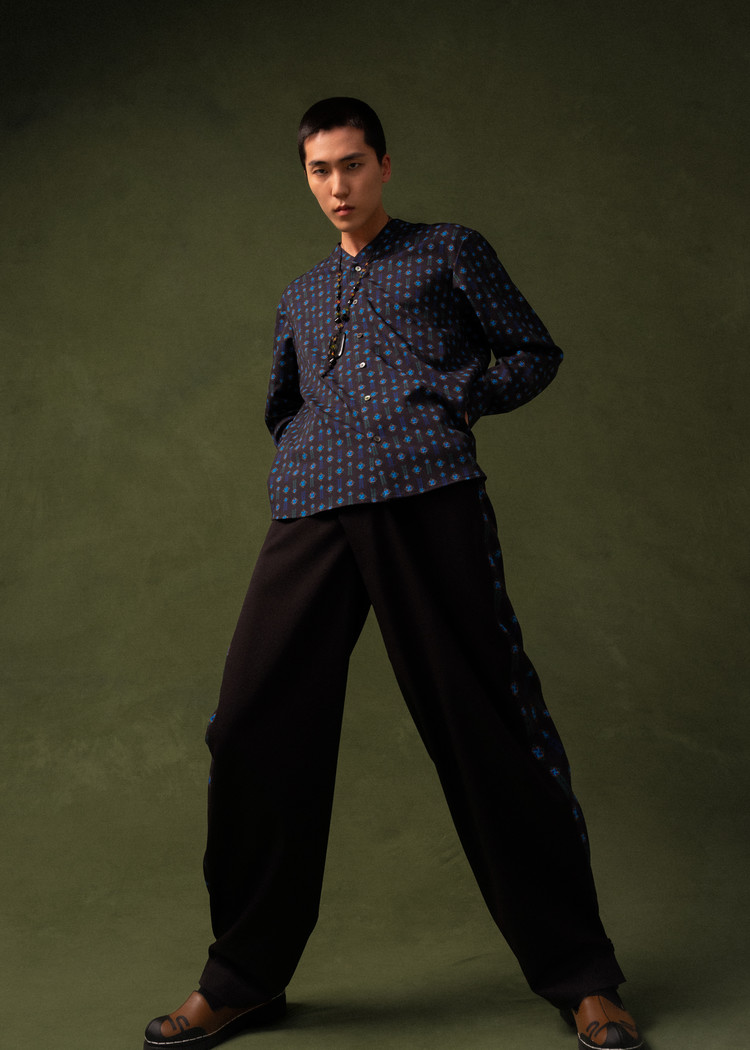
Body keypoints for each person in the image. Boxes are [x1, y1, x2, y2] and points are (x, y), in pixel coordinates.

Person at [144, 97, 643, 1050]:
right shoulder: (299, 293)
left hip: (428, 497)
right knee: (250, 723)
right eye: (320, 170)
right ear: (306, 177)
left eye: (352, 164)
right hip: (313, 508)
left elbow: (533, 352)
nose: (338, 186)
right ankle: (242, 976)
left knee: (486, 725)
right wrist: (309, 451)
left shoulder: (449, 250)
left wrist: (451, 398)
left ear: (383, 165)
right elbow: (283, 402)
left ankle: (583, 976)